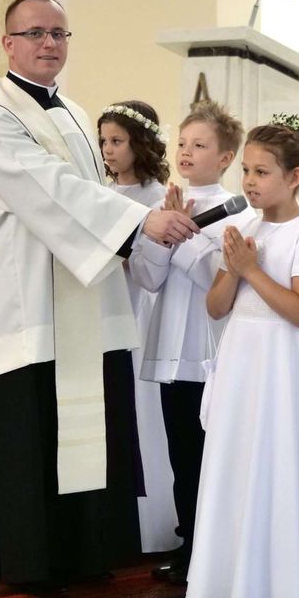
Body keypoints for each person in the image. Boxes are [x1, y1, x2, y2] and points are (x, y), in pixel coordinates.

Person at [0, 0, 198, 589]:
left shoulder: (76, 113)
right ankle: (31, 561)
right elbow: (49, 189)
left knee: (89, 426)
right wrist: (138, 221)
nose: (49, 43)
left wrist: (136, 223)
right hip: (30, 299)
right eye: (35, 33)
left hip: (84, 294)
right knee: (34, 427)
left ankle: (85, 551)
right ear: (8, 43)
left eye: (59, 33)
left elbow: (88, 192)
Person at [185, 115, 299, 598]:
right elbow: (216, 307)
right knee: (237, 466)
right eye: (246, 171)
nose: (250, 182)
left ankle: (275, 594)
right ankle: (230, 581)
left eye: (262, 172)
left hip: (282, 368)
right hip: (242, 361)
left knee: (274, 467)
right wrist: (233, 270)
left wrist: (251, 270)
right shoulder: (245, 231)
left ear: (294, 176)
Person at [129, 101, 255, 583]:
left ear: (225, 158)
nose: (186, 152)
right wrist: (165, 233)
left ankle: (213, 552)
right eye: (182, 143)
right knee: (181, 457)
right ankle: (188, 546)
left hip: (205, 351)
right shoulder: (166, 205)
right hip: (169, 349)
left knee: (207, 457)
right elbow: (148, 278)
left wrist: (185, 237)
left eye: (199, 145)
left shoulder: (236, 215)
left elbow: (216, 281)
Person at [98, 101, 181, 553]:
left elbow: (151, 274)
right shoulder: (100, 192)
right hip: (102, 312)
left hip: (138, 315)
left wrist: (121, 244)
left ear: (141, 143)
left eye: (117, 141)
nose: (108, 150)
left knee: (141, 413)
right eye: (104, 141)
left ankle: (151, 528)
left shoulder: (156, 198)